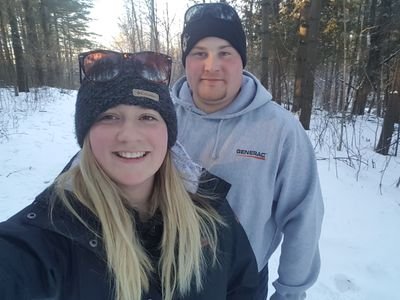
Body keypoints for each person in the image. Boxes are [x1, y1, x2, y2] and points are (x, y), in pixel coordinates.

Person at [0, 50, 259, 300]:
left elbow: (244, 288)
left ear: (168, 134)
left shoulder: (211, 211)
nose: (129, 135)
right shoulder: (52, 228)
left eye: (147, 117)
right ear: (86, 136)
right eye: (110, 117)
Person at [171, 3, 324, 300]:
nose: (211, 65)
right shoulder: (159, 119)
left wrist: (290, 292)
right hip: (165, 278)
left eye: (225, 53)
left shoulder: (279, 129)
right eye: (199, 53)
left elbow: (303, 215)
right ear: (186, 61)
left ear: (242, 60)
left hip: (241, 285)